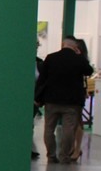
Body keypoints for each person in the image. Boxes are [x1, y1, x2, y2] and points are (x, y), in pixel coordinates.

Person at [34, 36, 94, 164]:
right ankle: (64, 156)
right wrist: (80, 56)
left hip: (51, 100)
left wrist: (38, 98)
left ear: (63, 44)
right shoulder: (78, 59)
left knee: (49, 129)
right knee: (69, 130)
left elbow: (42, 80)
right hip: (71, 102)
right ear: (75, 47)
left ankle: (51, 155)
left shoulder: (51, 58)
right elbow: (89, 71)